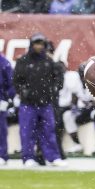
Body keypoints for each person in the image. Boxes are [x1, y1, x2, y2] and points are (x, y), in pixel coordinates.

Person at [14, 33, 65, 168]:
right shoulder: (23, 61)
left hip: (45, 103)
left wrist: (54, 90)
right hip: (28, 104)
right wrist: (22, 91)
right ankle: (28, 157)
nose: (39, 46)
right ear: (32, 44)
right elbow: (16, 80)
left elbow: (58, 78)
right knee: (27, 131)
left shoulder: (49, 62)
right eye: (37, 43)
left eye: (41, 44)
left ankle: (53, 157)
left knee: (49, 131)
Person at [0, 52, 14, 166]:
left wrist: (7, 99)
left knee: (1, 131)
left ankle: (2, 155)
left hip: (0, 101)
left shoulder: (4, 62)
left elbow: (11, 83)